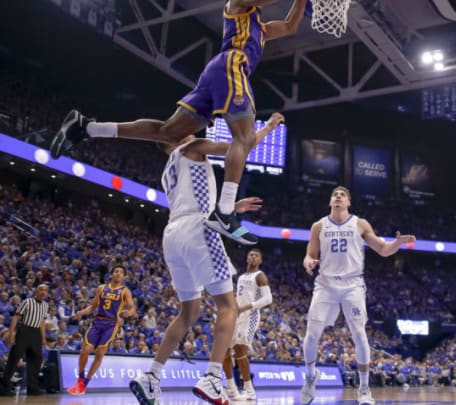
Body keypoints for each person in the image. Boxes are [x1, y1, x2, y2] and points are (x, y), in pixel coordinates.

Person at [50, 0, 307, 244]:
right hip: (232, 65)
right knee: (245, 137)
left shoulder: (260, 29)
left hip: (216, 74)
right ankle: (225, 212)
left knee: (169, 133)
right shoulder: (237, 5)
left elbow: (289, 26)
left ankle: (86, 128)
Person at [128, 115, 279, 405]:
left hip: (173, 234)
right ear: (175, 137)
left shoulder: (169, 167)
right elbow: (240, 146)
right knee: (228, 306)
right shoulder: (194, 145)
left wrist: (232, 207)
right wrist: (268, 128)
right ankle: (212, 378)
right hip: (198, 230)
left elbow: (194, 201)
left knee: (189, 312)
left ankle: (151, 376)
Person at [300, 186, 416, 405]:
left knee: (359, 333)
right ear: (330, 201)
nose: (338, 197)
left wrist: (397, 244)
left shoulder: (360, 224)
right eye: (334, 194)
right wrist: (307, 261)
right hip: (325, 284)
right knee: (312, 333)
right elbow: (310, 254)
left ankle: (364, 388)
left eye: (342, 195)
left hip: (352, 285)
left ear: (349, 202)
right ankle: (309, 377)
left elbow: (382, 249)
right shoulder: (318, 226)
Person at [67, 265, 137, 395]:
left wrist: (129, 312)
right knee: (85, 350)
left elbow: (132, 307)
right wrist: (82, 312)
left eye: (121, 272)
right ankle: (80, 379)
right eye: (116, 271)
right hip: (97, 321)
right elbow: (93, 306)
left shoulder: (125, 291)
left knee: (100, 352)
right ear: (111, 274)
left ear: (124, 276)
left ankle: (84, 385)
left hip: (111, 324)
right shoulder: (101, 288)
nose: (118, 274)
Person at [223, 248, 273, 401]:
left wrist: (245, 307)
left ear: (260, 261)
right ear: (247, 258)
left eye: (256, 255)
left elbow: (268, 299)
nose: (252, 257)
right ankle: (231, 388)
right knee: (225, 350)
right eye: (250, 254)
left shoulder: (260, 276)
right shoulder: (242, 276)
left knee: (240, 351)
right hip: (237, 316)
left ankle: (249, 390)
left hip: (250, 316)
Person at [0, 284, 49, 396]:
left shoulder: (46, 305)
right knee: (14, 357)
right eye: (41, 289)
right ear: (36, 290)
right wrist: (11, 334)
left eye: (45, 290)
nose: (43, 292)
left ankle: (32, 387)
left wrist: (43, 337)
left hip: (36, 333)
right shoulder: (27, 302)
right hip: (24, 331)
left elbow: (42, 322)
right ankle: (4, 386)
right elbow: (16, 317)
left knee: (36, 360)